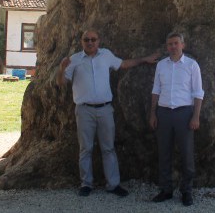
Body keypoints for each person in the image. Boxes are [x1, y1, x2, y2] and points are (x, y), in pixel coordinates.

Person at [59, 29, 158, 198]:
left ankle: (113, 184)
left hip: (105, 109)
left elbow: (124, 64)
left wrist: (144, 59)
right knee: (85, 149)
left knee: (108, 148)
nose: (90, 42)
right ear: (82, 42)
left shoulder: (106, 55)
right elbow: (61, 83)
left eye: (93, 39)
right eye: (86, 40)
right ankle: (86, 184)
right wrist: (61, 69)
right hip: (84, 110)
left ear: (99, 41)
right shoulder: (74, 60)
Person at [149, 32, 204, 207]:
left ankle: (186, 191)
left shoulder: (192, 65)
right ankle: (166, 189)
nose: (173, 46)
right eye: (170, 44)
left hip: (184, 114)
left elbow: (198, 92)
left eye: (176, 43)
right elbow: (156, 90)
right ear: (167, 47)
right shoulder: (161, 66)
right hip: (163, 113)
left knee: (186, 154)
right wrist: (153, 113)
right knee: (164, 153)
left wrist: (196, 116)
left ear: (182, 45)